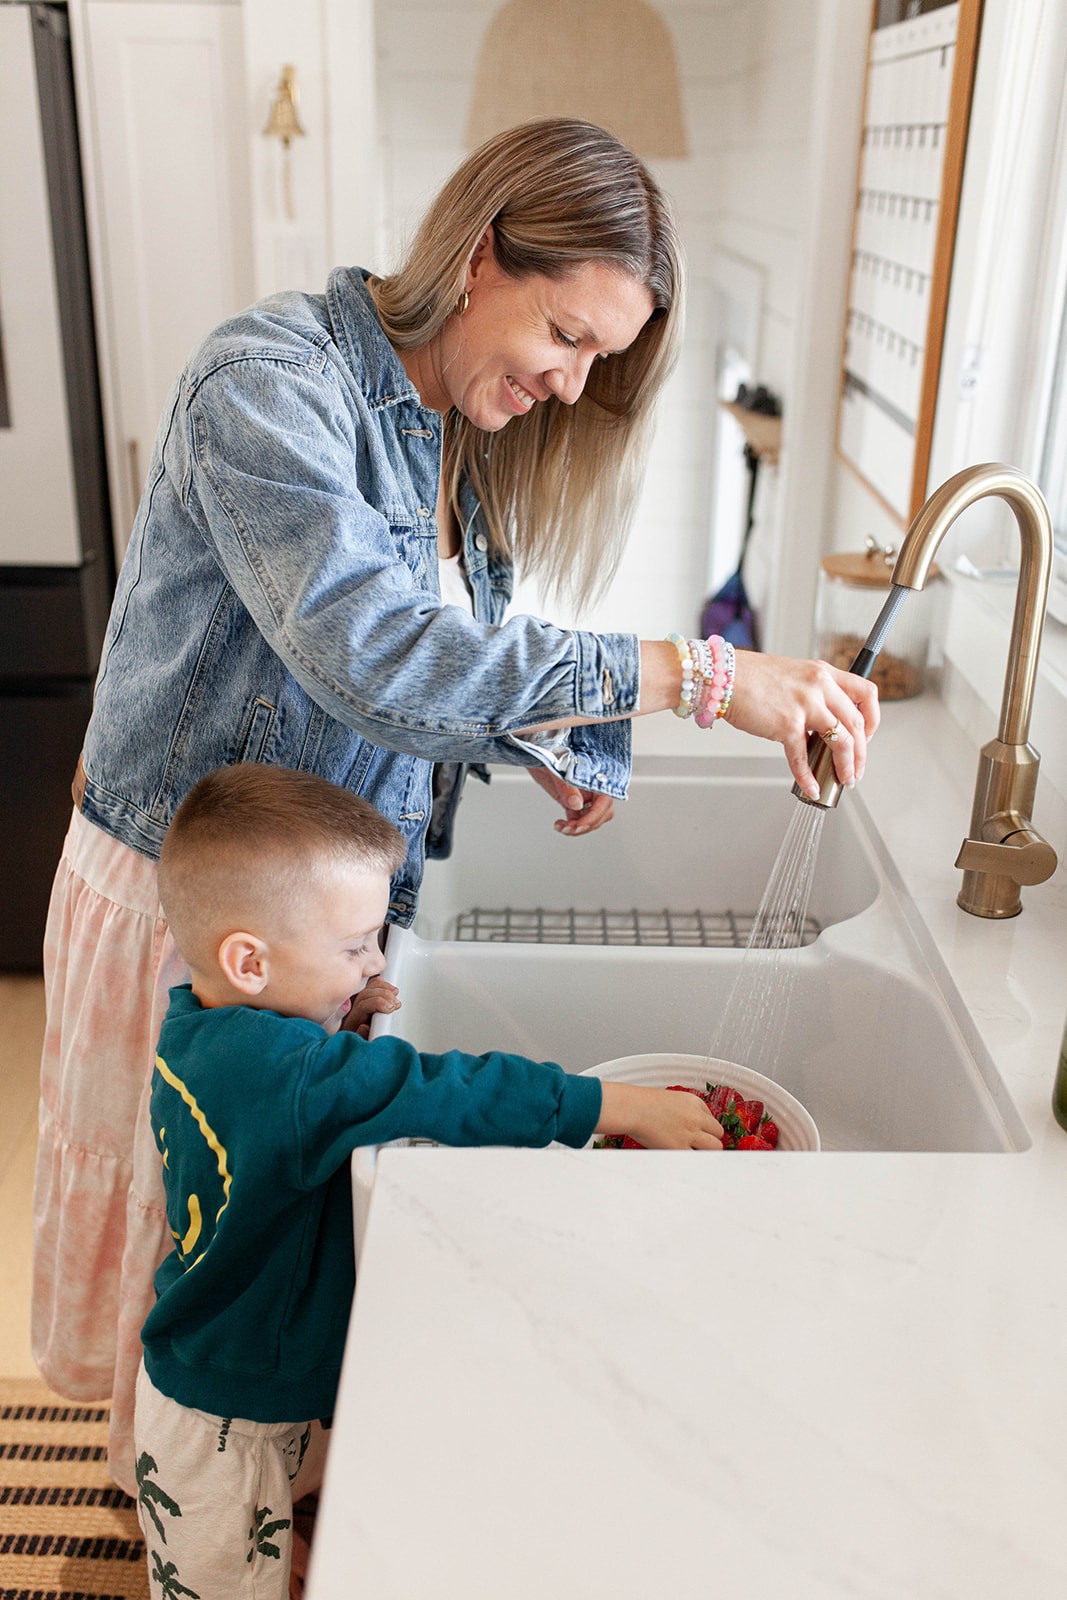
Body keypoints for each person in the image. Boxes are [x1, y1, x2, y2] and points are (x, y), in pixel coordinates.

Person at [33, 116, 879, 1497]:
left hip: (314, 933)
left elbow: (432, 678)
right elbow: (367, 653)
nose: (569, 383)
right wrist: (703, 677)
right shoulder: (267, 382)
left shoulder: (446, 444)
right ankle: (185, 1548)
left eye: (599, 361)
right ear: (481, 257)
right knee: (185, 1289)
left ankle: (235, 1520)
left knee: (251, 1284)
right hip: (198, 921)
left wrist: (553, 744)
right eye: (567, 336)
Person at [132, 764, 723, 1599]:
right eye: (352, 945)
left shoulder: (202, 1021)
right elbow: (447, 1088)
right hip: (222, 1420)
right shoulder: (298, 1083)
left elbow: (280, 1092)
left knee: (251, 1551)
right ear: (251, 961)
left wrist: (334, 1002)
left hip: (229, 1370)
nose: (373, 957)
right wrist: (610, 1105)